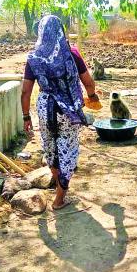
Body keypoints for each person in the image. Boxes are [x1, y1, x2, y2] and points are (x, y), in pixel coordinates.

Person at [21, 15, 100, 210]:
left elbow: (25, 91)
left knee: (50, 147)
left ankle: (59, 186)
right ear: (60, 30)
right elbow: (88, 82)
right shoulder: (71, 53)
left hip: (45, 107)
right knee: (68, 148)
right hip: (69, 109)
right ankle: (59, 198)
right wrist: (92, 97)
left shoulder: (34, 57)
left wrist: (26, 116)